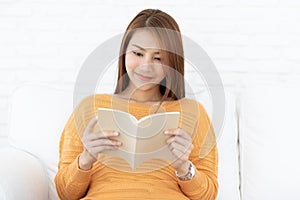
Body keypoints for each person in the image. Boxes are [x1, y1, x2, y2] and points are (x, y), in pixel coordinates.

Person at [55, 8, 218, 200]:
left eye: (158, 58)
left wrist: (184, 167)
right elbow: (65, 194)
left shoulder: (192, 112)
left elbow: (207, 196)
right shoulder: (89, 107)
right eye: (138, 53)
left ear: (172, 63)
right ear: (124, 53)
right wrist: (85, 160)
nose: (145, 66)